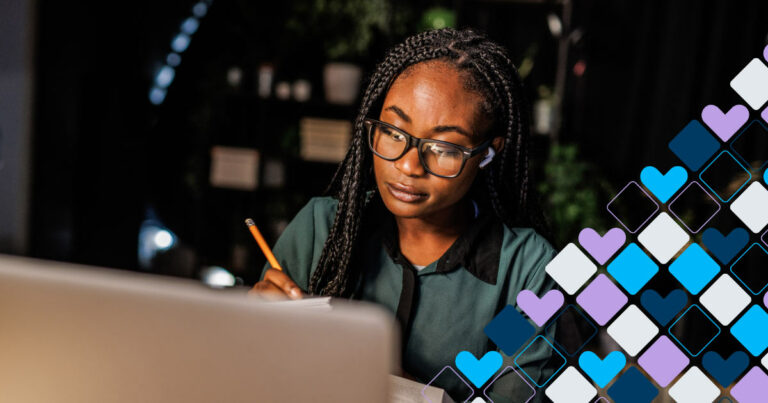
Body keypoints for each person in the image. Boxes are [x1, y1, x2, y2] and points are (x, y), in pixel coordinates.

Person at [251, 27, 559, 401]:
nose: (410, 165)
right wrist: (254, 334)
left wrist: (387, 378)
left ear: (487, 153)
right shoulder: (322, 229)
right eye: (394, 132)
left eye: (443, 146)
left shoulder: (523, 273)